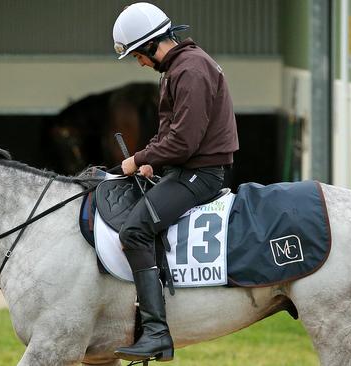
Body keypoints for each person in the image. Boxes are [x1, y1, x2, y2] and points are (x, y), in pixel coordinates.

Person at [111, 2, 239, 362]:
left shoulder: (191, 70)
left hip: (199, 176)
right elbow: (173, 134)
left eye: (138, 55)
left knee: (134, 231)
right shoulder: (180, 67)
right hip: (184, 169)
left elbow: (184, 141)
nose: (139, 63)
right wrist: (153, 162)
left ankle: (156, 333)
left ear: (152, 45)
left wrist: (138, 159)